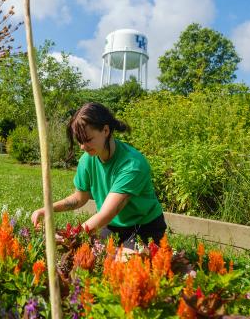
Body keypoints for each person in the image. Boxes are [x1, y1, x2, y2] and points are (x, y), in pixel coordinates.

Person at [31, 102, 166, 249]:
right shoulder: (87, 159)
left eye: (88, 140)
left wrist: (69, 236)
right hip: (113, 227)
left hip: (144, 227)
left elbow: (106, 213)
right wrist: (48, 209)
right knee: (83, 255)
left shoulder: (132, 164)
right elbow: (79, 198)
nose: (83, 147)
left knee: (125, 267)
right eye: (80, 141)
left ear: (106, 130)